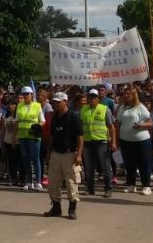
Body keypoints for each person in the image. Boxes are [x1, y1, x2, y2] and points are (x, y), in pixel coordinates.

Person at [43, 92, 83, 220]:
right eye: (54, 101)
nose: (55, 104)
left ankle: (72, 209)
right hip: (56, 153)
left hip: (69, 153)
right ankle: (56, 208)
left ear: (65, 101)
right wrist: (48, 153)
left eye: (58, 101)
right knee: (53, 182)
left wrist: (79, 155)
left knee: (71, 182)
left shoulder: (74, 117)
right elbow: (52, 136)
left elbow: (80, 137)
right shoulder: (55, 117)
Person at [115, 86, 153, 195]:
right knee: (129, 163)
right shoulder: (121, 107)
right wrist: (117, 141)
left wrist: (141, 125)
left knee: (144, 163)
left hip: (141, 141)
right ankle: (131, 185)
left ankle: (146, 186)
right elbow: (118, 124)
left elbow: (150, 123)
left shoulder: (140, 107)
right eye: (125, 94)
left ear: (134, 95)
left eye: (128, 94)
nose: (126, 96)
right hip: (125, 140)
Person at [80, 88, 116, 198]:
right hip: (87, 141)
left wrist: (113, 142)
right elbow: (81, 127)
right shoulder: (83, 109)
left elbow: (111, 126)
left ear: (98, 99)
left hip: (101, 141)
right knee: (89, 167)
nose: (92, 99)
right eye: (90, 97)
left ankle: (108, 189)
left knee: (105, 167)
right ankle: (90, 189)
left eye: (94, 97)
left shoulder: (105, 109)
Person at [16, 86, 45, 191]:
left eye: (28, 94)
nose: (26, 96)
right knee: (25, 159)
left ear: (32, 95)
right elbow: (17, 121)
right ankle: (29, 181)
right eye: (24, 94)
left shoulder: (37, 106)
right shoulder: (19, 105)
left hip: (34, 136)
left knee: (35, 159)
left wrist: (38, 126)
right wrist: (16, 136)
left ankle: (38, 182)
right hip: (22, 136)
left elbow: (42, 120)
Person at [2, 98, 22, 186]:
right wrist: (2, 141)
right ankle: (13, 178)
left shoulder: (18, 116)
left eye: (13, 104)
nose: (10, 106)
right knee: (10, 160)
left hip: (17, 141)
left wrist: (14, 140)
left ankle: (21, 178)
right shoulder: (5, 116)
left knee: (19, 160)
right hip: (7, 141)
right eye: (9, 104)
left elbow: (17, 129)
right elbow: (3, 129)